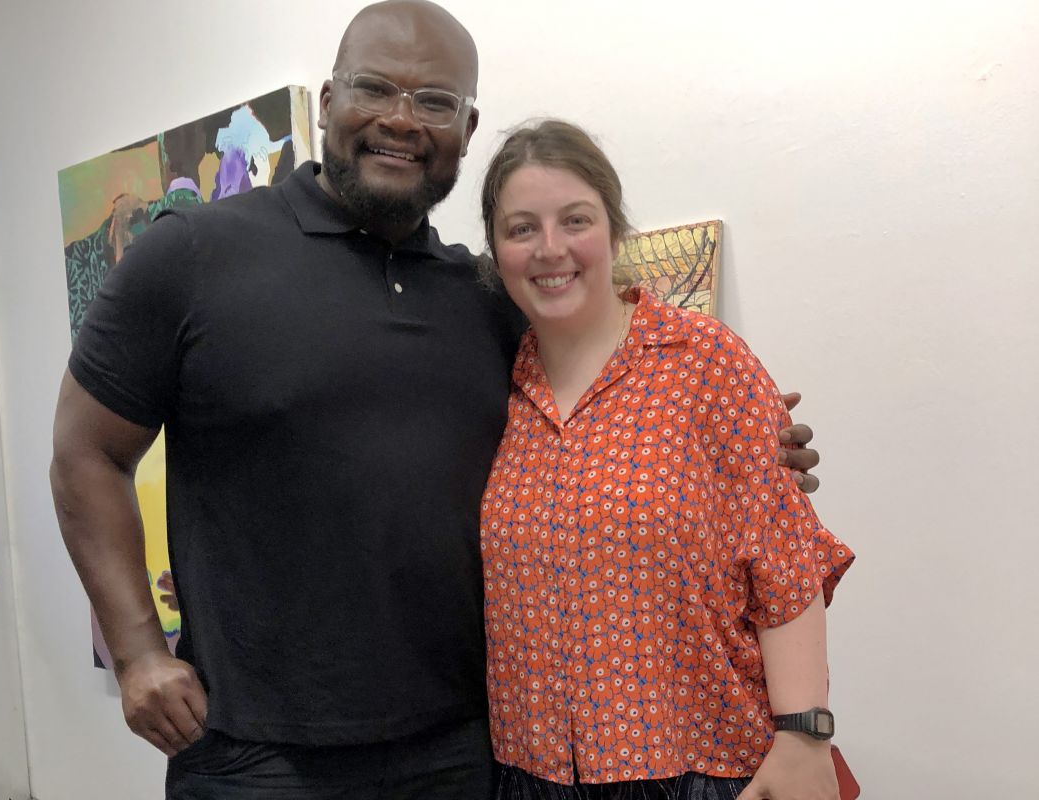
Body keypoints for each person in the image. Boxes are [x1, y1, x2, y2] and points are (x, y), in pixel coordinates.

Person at [49, 2, 822, 797]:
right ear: (326, 102)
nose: (400, 119)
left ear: (465, 125)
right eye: (374, 88)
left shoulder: (486, 302)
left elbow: (601, 412)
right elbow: (85, 451)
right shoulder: (192, 256)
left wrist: (744, 451)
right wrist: (139, 650)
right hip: (255, 754)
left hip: (463, 751)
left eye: (434, 101)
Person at [477, 119, 854, 800]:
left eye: (575, 219)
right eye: (521, 228)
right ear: (495, 249)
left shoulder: (705, 362)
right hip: (528, 773)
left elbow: (784, 561)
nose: (550, 248)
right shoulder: (487, 383)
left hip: (699, 768)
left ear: (614, 231)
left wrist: (803, 738)